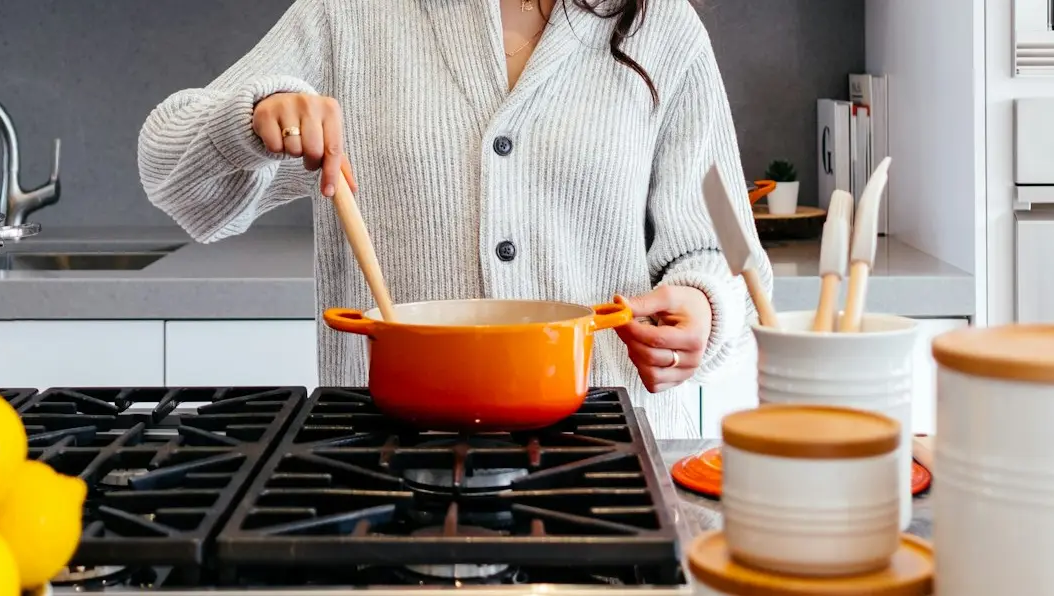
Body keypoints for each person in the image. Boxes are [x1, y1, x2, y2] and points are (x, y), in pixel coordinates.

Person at [137, 0, 769, 438]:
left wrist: (702, 309)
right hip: (387, 465)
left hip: (611, 463)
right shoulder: (347, 17)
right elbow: (171, 173)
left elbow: (723, 257)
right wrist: (253, 118)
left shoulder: (663, 27)